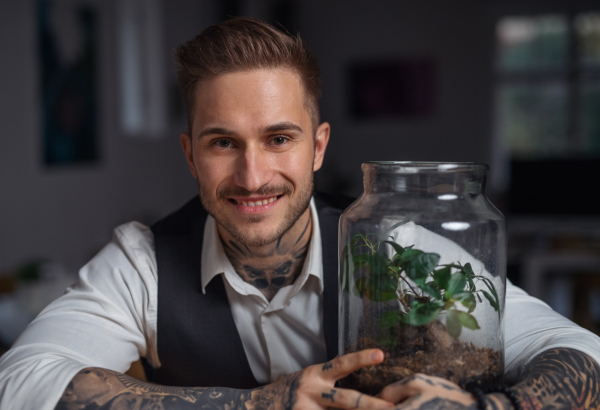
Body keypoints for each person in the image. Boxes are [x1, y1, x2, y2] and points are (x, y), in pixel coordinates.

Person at [1, 17, 600, 410]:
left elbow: (579, 351)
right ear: (190, 154)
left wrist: (490, 409)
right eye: (223, 143)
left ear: (318, 146)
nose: (253, 176)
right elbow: (19, 382)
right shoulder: (141, 262)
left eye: (279, 139)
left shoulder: (395, 245)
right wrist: (254, 405)